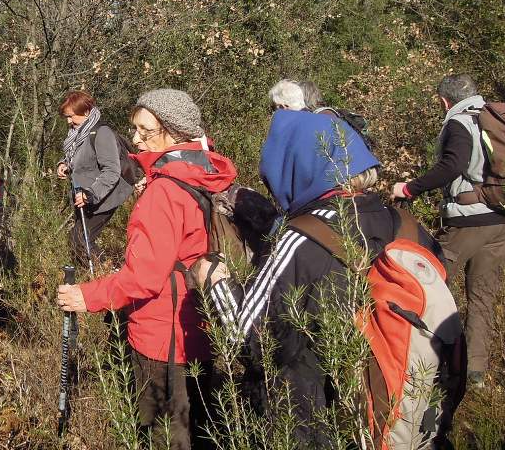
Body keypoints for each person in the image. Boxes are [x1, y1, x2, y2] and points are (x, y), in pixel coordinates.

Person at [195, 109, 443, 446]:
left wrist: (216, 281)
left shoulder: (301, 240)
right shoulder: (410, 228)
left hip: (309, 421)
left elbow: (249, 339)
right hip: (398, 411)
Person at [57, 89, 236, 450]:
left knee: (165, 434)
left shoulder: (165, 192)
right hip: (197, 325)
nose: (135, 139)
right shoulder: (201, 173)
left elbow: (143, 276)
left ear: (173, 132)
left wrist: (86, 296)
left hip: (161, 336)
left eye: (145, 130)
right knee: (197, 426)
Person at [391, 74, 505, 388]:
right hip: (502, 221)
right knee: (482, 297)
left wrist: (409, 188)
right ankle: (474, 372)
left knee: (425, 284)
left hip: (468, 223)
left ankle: (425, 364)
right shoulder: (496, 117)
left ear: (445, 100)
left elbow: (452, 166)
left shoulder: (459, 122)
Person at [55, 90, 133, 269]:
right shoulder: (78, 134)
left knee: (79, 240)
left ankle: (110, 275)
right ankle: (94, 281)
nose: (68, 121)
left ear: (87, 112)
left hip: (101, 198)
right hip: (83, 198)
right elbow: (78, 157)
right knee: (78, 241)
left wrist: (91, 194)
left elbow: (112, 171)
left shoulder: (101, 132)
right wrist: (64, 164)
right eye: (66, 117)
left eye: (71, 116)